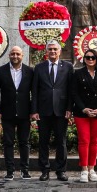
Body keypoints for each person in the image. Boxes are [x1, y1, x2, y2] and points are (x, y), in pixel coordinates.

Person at [31, 40, 73, 181]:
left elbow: (70, 90)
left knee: (61, 141)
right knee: (43, 141)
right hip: (43, 111)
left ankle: (61, 170)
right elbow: (35, 91)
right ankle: (45, 170)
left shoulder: (68, 67)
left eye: (55, 49)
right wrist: (34, 110)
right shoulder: (39, 67)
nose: (53, 52)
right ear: (46, 51)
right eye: (50, 49)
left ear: (60, 51)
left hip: (61, 111)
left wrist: (69, 108)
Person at [0, 46, 35, 180]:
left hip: (24, 113)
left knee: (24, 142)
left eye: (17, 54)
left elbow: (34, 93)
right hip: (7, 113)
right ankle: (10, 170)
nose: (15, 56)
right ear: (9, 55)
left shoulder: (29, 71)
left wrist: (33, 111)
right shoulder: (1, 71)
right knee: (8, 143)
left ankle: (25, 170)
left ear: (22, 56)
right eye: (12, 54)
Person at [70, 48, 97, 182]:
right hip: (82, 113)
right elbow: (74, 93)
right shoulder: (78, 73)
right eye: (88, 57)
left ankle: (92, 169)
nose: (90, 60)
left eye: (93, 57)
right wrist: (84, 109)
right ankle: (84, 170)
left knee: (94, 141)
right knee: (84, 140)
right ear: (84, 59)